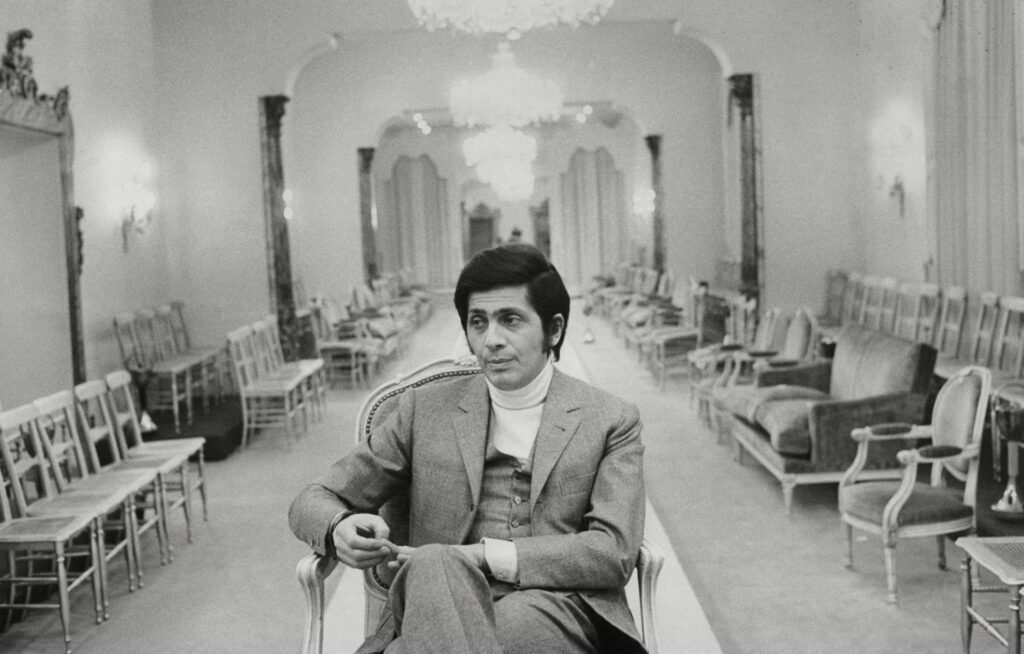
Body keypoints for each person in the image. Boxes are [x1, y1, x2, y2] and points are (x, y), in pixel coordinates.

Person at [289, 243, 647, 654]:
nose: (491, 340)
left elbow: (613, 551)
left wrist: (481, 556)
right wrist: (338, 526)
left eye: (510, 320)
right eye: (478, 322)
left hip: (555, 605)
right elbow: (313, 499)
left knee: (483, 602)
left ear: (554, 329)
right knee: (435, 562)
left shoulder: (610, 419)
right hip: (435, 598)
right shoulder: (424, 410)